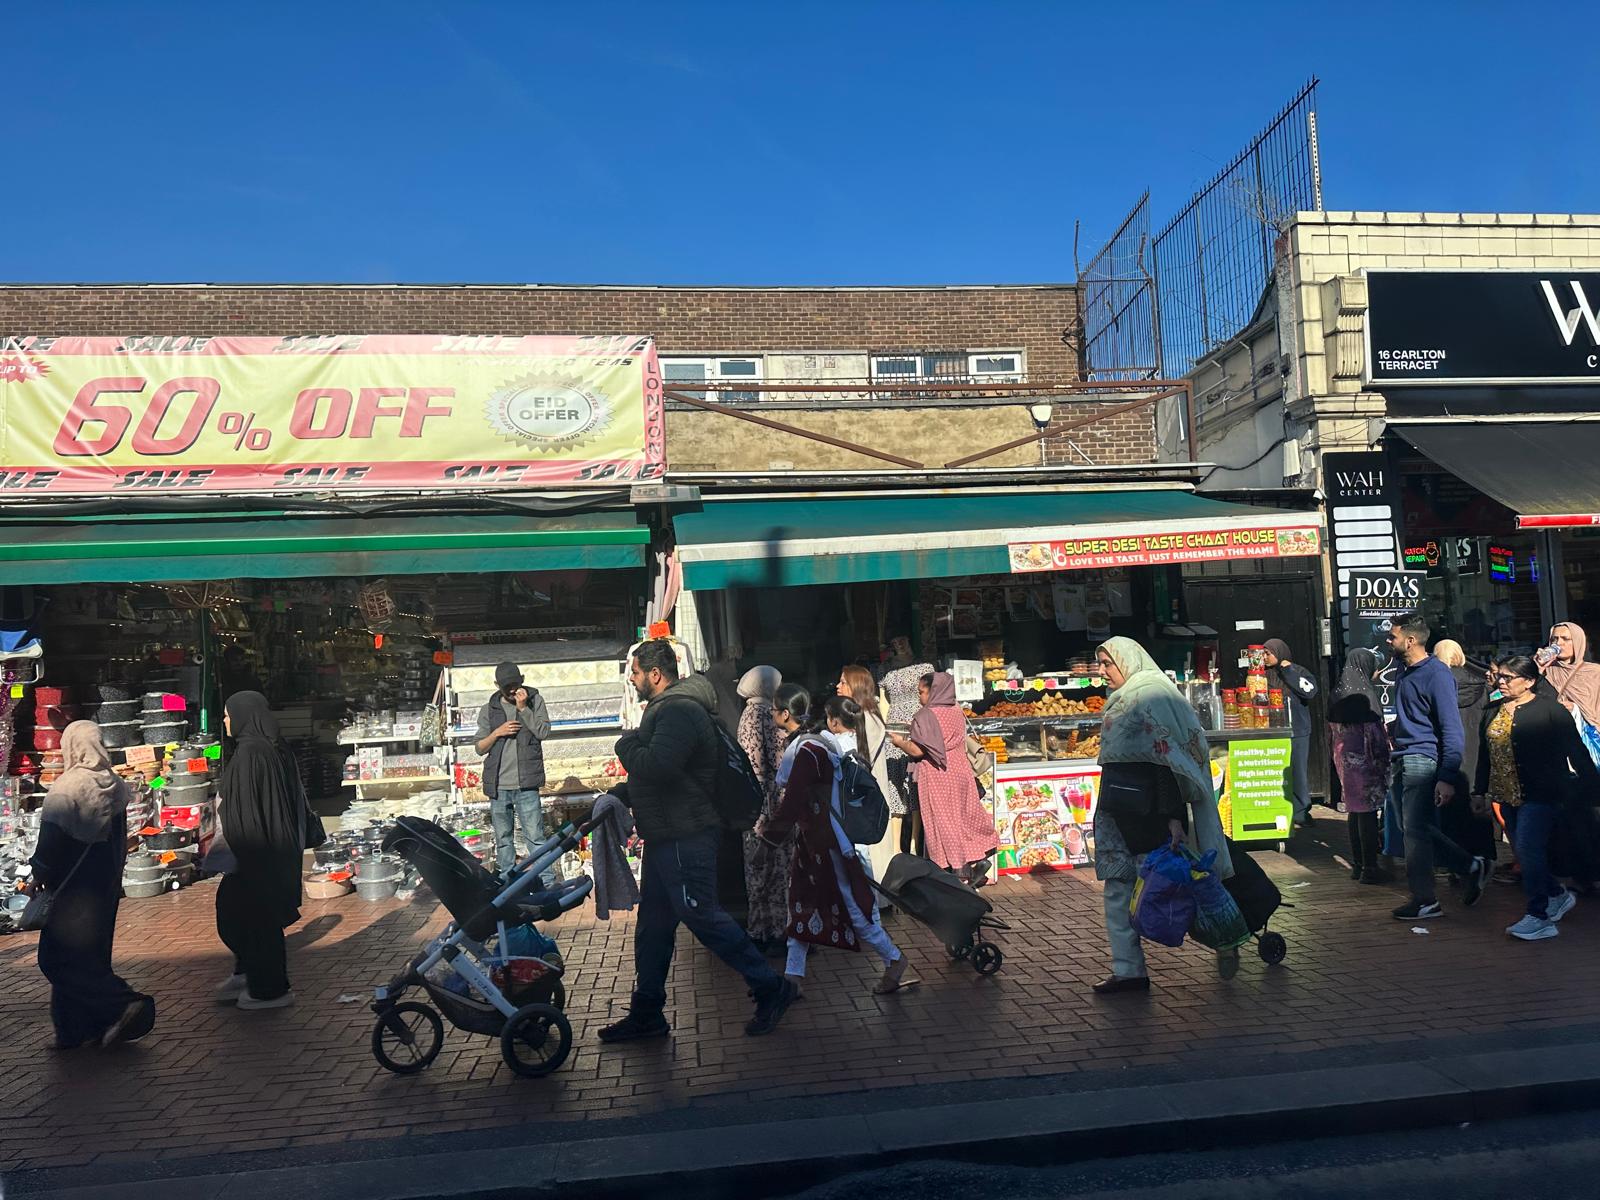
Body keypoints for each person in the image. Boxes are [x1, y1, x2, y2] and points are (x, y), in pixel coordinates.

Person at [602, 640, 796, 1041]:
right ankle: (648, 1011)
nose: (632, 679)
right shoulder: (673, 709)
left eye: (635, 672)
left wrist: (625, 743)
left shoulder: (678, 710)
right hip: (667, 834)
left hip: (685, 834)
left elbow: (658, 766)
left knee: (703, 915)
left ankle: (770, 987)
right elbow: (668, 773)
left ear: (656, 674)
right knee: (653, 926)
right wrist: (627, 792)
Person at [1091, 638, 1235, 992]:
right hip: (1118, 811)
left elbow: (1169, 761)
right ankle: (1129, 971)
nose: (1101, 672)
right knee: (1119, 891)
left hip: (1152, 812)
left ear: (1128, 660)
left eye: (1107, 663)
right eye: (1100, 664)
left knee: (1173, 888)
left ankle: (1225, 939)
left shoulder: (1153, 695)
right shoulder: (1124, 698)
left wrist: (1172, 816)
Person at [759, 695, 913, 997]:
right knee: (801, 905)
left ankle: (893, 959)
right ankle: (793, 978)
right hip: (817, 842)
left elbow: (791, 803)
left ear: (786, 715)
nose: (771, 718)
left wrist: (767, 842)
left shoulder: (807, 750)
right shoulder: (816, 747)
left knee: (852, 907)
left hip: (826, 845)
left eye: (774, 712)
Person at [29, 721, 155, 1049]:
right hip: (104, 886)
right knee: (90, 957)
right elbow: (119, 842)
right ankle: (75, 1031)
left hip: (71, 889)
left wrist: (39, 873)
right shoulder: (115, 786)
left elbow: (51, 842)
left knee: (56, 959)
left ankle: (122, 1002)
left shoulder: (66, 788)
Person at [1474, 655, 1600, 940]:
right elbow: (1485, 754)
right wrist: (1479, 791)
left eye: (1509, 677)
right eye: (1500, 676)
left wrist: (1591, 788)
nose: (1501, 682)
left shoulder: (1550, 711)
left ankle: (1538, 915)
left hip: (1542, 793)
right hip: (1506, 794)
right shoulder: (1492, 710)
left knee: (1530, 849)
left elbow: (1576, 750)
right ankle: (1555, 894)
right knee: (1523, 850)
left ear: (1529, 681)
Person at [1384, 615, 1490, 921]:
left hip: (1422, 757)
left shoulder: (1437, 674)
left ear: (1411, 640)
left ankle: (1425, 898)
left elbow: (1451, 729)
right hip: (1402, 755)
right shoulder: (1404, 670)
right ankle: (1470, 865)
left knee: (1414, 830)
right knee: (1411, 829)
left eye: (1393, 637)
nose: (1389, 642)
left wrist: (1446, 777)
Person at [213, 692, 306, 1010]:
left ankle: (268, 989)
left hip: (255, 853)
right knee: (239, 913)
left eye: (227, 714)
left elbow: (248, 811)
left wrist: (246, 853)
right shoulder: (268, 748)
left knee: (252, 918)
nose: (225, 721)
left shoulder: (251, 755)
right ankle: (248, 972)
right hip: (264, 852)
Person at [887, 672, 995, 883]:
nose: (919, 698)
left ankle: (958, 870)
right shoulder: (956, 710)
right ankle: (978, 857)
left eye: (922, 692)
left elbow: (918, 750)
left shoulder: (926, 715)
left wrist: (899, 742)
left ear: (934, 691)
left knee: (943, 823)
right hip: (959, 770)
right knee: (962, 818)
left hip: (936, 775)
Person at [474, 661, 553, 882]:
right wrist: (497, 733)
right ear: (496, 685)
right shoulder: (489, 709)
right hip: (498, 785)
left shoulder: (535, 701)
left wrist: (523, 709)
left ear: (522, 681)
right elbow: (479, 747)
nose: (511, 690)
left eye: (515, 685)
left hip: (527, 784)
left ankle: (547, 881)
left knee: (535, 837)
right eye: (506, 686)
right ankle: (508, 883)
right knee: (503, 839)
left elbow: (544, 732)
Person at [736, 665, 790, 955]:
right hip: (769, 806)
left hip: (752, 806)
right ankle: (778, 932)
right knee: (776, 870)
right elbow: (779, 762)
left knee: (757, 872)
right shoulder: (766, 715)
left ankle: (759, 931)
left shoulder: (747, 713)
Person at [1328, 648, 1392, 884]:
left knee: (1355, 811)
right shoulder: (1365, 695)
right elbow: (1375, 736)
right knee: (1367, 813)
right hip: (1365, 763)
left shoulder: (1338, 692)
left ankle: (1358, 864)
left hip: (1344, 762)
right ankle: (1370, 867)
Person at [1434, 639, 1496, 870]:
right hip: (1477, 750)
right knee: (1477, 805)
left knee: (1451, 810)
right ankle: (1484, 855)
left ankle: (1458, 864)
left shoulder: (1438, 685)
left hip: (1450, 753)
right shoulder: (1482, 684)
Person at [838, 664, 897, 877]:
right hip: (867, 791)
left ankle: (877, 895)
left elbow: (861, 757)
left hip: (868, 793)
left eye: (843, 682)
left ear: (856, 685)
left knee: (871, 849)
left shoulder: (866, 717)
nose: (838, 686)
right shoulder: (866, 714)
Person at [879, 637, 933, 856]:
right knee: (895, 782)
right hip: (893, 724)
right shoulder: (885, 671)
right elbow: (884, 702)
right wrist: (883, 729)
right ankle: (895, 847)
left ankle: (914, 843)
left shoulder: (925, 667)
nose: (900, 645)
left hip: (916, 723)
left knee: (915, 782)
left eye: (904, 641)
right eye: (896, 642)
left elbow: (930, 697)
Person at [1262, 638, 1318, 829]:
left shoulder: (1298, 671)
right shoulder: (1262, 675)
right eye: (1263, 653)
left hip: (1297, 729)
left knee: (1298, 772)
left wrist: (1288, 671)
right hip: (1272, 729)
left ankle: (1301, 812)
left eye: (1268, 653)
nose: (1264, 657)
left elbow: (1309, 692)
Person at [1543, 622, 1600, 734]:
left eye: (1566, 639)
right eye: (1554, 639)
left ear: (1578, 642)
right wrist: (1538, 669)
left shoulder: (1594, 672)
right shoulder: (1546, 670)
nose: (1559, 643)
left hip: (1587, 736)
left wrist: (1575, 709)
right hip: (1552, 734)